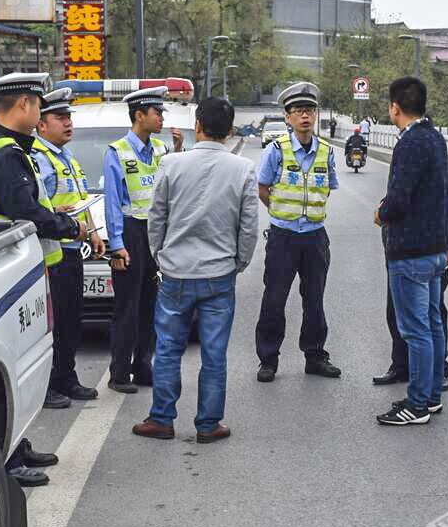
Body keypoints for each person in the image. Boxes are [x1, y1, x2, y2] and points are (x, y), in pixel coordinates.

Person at [0, 72, 89, 485]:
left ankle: (16, 445)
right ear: (24, 104)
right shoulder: (7, 154)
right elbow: (25, 211)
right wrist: (67, 225)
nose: (41, 115)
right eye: (39, 105)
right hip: (14, 272)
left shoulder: (1, 147)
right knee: (13, 368)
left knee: (20, 364)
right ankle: (7, 459)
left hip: (16, 268)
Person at [132, 98, 260, 444]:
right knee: (214, 354)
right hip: (219, 274)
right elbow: (248, 227)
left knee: (168, 349)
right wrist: (238, 263)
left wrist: (160, 256)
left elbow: (156, 217)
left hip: (176, 272)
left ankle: (161, 419)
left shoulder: (171, 164)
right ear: (230, 131)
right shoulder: (243, 169)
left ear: (198, 126)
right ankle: (208, 424)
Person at [373, 76, 448, 426]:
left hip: (411, 251)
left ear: (395, 107)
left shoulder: (409, 142)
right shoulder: (435, 137)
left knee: (416, 330)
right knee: (432, 325)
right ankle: (431, 397)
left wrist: (382, 212)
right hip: (435, 250)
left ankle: (417, 404)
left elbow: (400, 198)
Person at [254, 81, 342, 382]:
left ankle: (315, 356)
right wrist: (282, 213)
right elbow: (263, 188)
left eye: (309, 110)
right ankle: (268, 359)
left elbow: (327, 189)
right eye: (298, 111)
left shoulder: (326, 152)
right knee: (274, 299)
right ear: (288, 117)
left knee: (314, 300)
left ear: (315, 115)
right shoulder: (276, 150)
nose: (305, 116)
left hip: (315, 237)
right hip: (284, 236)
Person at [103, 87, 184, 394]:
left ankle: (143, 366)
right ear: (139, 116)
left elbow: (172, 182)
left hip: (155, 234)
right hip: (130, 233)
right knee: (127, 307)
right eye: (157, 113)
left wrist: (178, 149)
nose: (162, 118)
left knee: (152, 304)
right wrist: (117, 245)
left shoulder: (161, 149)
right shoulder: (117, 152)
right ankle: (119, 373)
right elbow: (113, 202)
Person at [31, 88, 106, 401]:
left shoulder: (68, 158)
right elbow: (34, 208)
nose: (68, 123)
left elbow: (80, 200)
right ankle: (48, 384)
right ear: (41, 124)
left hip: (74, 249)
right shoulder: (38, 159)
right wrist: (54, 212)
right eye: (60, 118)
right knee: (55, 323)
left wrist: (93, 233)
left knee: (72, 320)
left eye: (69, 117)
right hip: (52, 253)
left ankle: (66, 376)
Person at [374, 156, 448, 387]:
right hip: (398, 248)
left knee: (432, 311)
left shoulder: (445, 164)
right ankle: (401, 365)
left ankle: (438, 371)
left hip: (432, 249)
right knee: (396, 309)